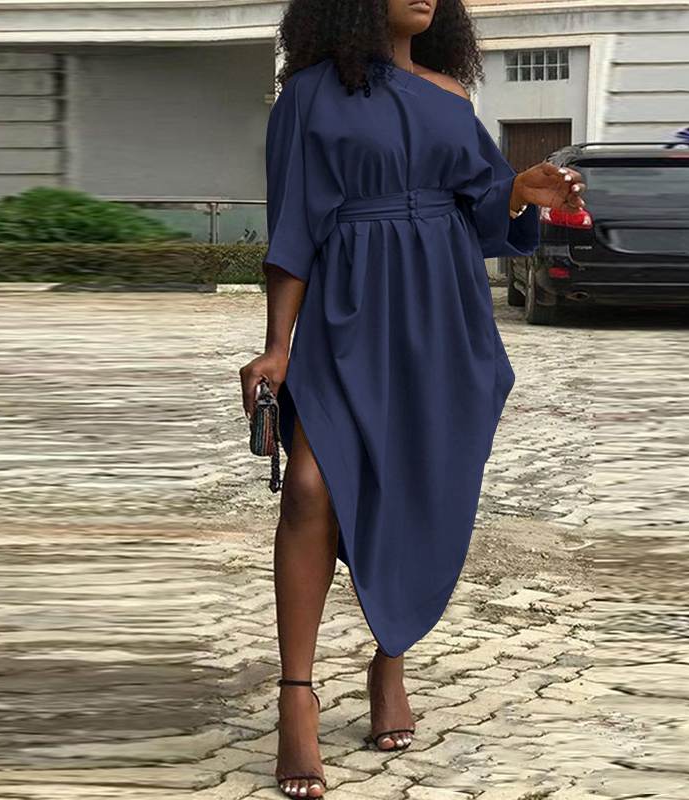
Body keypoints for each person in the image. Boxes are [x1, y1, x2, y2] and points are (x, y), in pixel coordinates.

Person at [239, 1, 585, 796]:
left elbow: (481, 208)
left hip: (442, 312)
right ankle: (297, 696)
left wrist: (520, 191)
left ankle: (389, 660)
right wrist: (278, 344)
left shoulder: (452, 96)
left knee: (420, 487)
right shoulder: (309, 95)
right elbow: (292, 227)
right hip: (349, 310)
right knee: (310, 488)